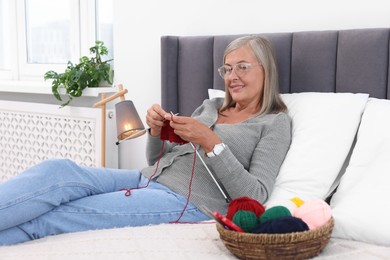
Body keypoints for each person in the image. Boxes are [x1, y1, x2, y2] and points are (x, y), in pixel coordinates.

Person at [0, 35, 291, 245]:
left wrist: (212, 142)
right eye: (227, 69)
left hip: (186, 201)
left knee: (56, 216)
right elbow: (157, 160)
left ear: (266, 70)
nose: (231, 76)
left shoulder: (274, 123)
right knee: (58, 171)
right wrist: (155, 132)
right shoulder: (211, 107)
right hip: (144, 177)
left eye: (242, 67)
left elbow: (256, 195)